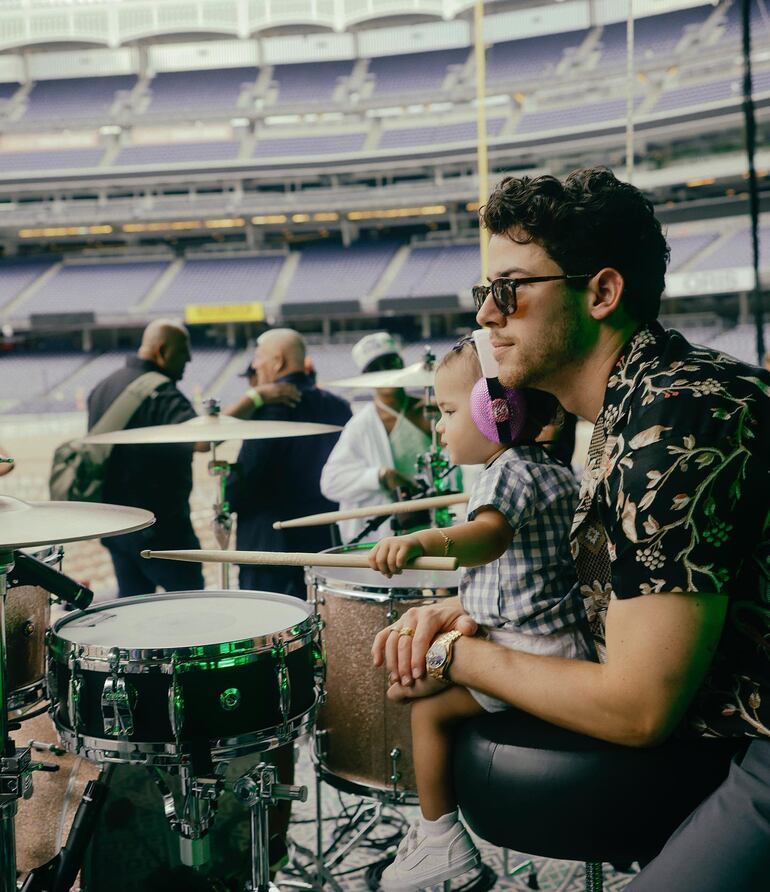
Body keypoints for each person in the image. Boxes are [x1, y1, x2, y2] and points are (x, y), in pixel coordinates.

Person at [373, 168, 769, 891]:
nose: (488, 317)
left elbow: (637, 707)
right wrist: (470, 613)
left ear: (602, 292)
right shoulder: (631, 406)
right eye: (484, 294)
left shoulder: (673, 421)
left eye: (511, 288)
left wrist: (452, 661)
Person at [368, 338, 594, 890]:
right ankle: (434, 830)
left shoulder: (509, 471)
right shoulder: (543, 466)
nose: (438, 426)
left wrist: (424, 539)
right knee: (406, 691)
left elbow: (488, 539)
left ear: (497, 410)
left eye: (446, 412)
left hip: (535, 648)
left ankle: (442, 841)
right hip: (546, 637)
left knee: (422, 710)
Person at [224, 328, 351, 598]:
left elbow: (246, 479)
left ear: (278, 361)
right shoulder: (338, 407)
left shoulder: (271, 409)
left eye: (259, 357)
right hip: (322, 541)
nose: (255, 365)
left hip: (269, 547)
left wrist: (226, 495)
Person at [87, 319, 206, 597]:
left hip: (115, 524)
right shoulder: (162, 392)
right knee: (195, 605)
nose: (186, 363)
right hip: (161, 527)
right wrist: (255, 398)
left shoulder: (104, 386)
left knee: (133, 605)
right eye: (182, 356)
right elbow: (202, 441)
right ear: (162, 351)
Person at [320, 332, 435, 543]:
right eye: (375, 368)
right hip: (390, 534)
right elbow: (330, 482)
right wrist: (381, 476)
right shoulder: (361, 425)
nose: (385, 372)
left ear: (401, 363)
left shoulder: (431, 410)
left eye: (390, 362)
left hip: (435, 522)